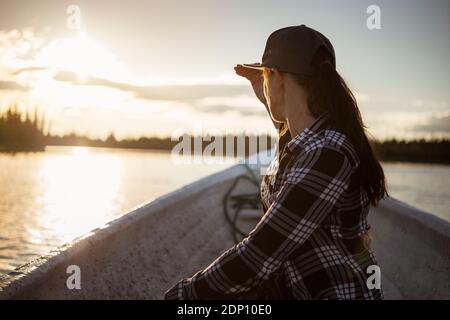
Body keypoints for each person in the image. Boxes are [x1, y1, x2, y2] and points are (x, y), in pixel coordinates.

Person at [164, 25, 387, 300]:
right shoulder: (313, 141)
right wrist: (266, 95)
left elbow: (260, 255)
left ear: (278, 78)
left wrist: (185, 294)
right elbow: (293, 145)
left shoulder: (328, 153)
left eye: (267, 76)